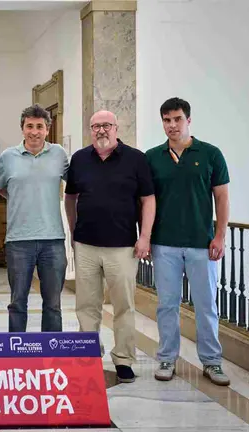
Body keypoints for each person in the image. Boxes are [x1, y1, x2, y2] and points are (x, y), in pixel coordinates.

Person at [64, 110, 155, 383]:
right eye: (95, 126)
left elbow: (148, 199)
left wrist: (145, 237)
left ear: (116, 127)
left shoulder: (136, 160)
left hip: (123, 246)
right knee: (86, 305)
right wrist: (73, 230)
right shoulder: (80, 159)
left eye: (106, 125)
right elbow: (70, 198)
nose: (100, 130)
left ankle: (124, 359)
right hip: (86, 245)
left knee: (124, 306)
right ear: (90, 130)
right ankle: (89, 355)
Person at [146, 97, 231, 385]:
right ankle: (167, 358)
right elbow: (146, 200)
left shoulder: (210, 154)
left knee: (206, 305)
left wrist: (220, 235)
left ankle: (212, 362)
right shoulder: (152, 157)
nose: (172, 125)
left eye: (177, 119)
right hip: (164, 244)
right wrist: (144, 237)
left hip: (201, 244)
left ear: (188, 120)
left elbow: (221, 196)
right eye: (167, 120)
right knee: (167, 304)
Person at [0, 104, 69, 333]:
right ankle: (18, 352)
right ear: (22, 129)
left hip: (53, 240)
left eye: (39, 127)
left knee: (53, 304)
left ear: (47, 129)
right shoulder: (8, 157)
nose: (34, 131)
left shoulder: (59, 154)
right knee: (17, 303)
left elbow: (76, 185)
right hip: (18, 241)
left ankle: (51, 353)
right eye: (29, 126)